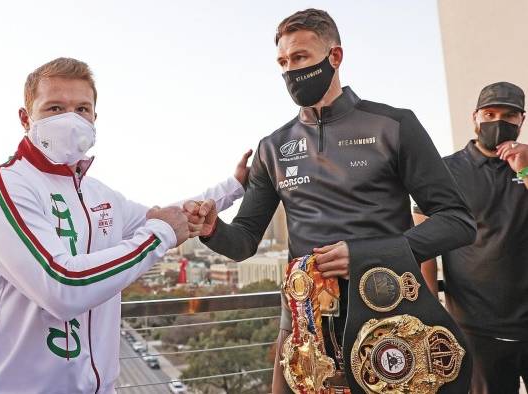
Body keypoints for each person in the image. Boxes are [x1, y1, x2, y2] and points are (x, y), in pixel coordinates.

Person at [190, 8, 476, 392]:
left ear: (334, 57)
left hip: (389, 320)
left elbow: (458, 221)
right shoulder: (272, 148)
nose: (290, 71)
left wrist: (368, 254)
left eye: (300, 57)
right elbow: (243, 241)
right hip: (304, 330)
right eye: (283, 62)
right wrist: (212, 230)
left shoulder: (394, 125)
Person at [0, 57, 250, 393]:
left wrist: (234, 187)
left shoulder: (98, 194)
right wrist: (159, 236)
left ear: (95, 118)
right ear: (26, 118)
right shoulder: (3, 187)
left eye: (82, 109)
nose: (71, 119)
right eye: (55, 108)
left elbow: (170, 215)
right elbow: (62, 285)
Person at [417, 81, 528, 394]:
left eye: (508, 115)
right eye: (489, 113)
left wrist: (526, 170)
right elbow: (425, 244)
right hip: (479, 331)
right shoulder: (446, 171)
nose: (497, 122)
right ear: (475, 117)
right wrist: (430, 312)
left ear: (521, 120)